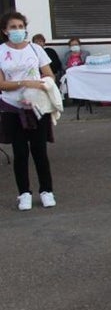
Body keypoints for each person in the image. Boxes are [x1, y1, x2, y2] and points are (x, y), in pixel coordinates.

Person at [0, 11, 58, 211]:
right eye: (12, 27)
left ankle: (46, 191)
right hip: (12, 108)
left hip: (36, 106)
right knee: (20, 152)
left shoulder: (35, 49)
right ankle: (24, 193)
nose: (17, 30)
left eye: (20, 26)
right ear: (5, 31)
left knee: (39, 150)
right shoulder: (0, 52)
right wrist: (23, 83)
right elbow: (1, 84)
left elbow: (49, 75)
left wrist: (41, 85)